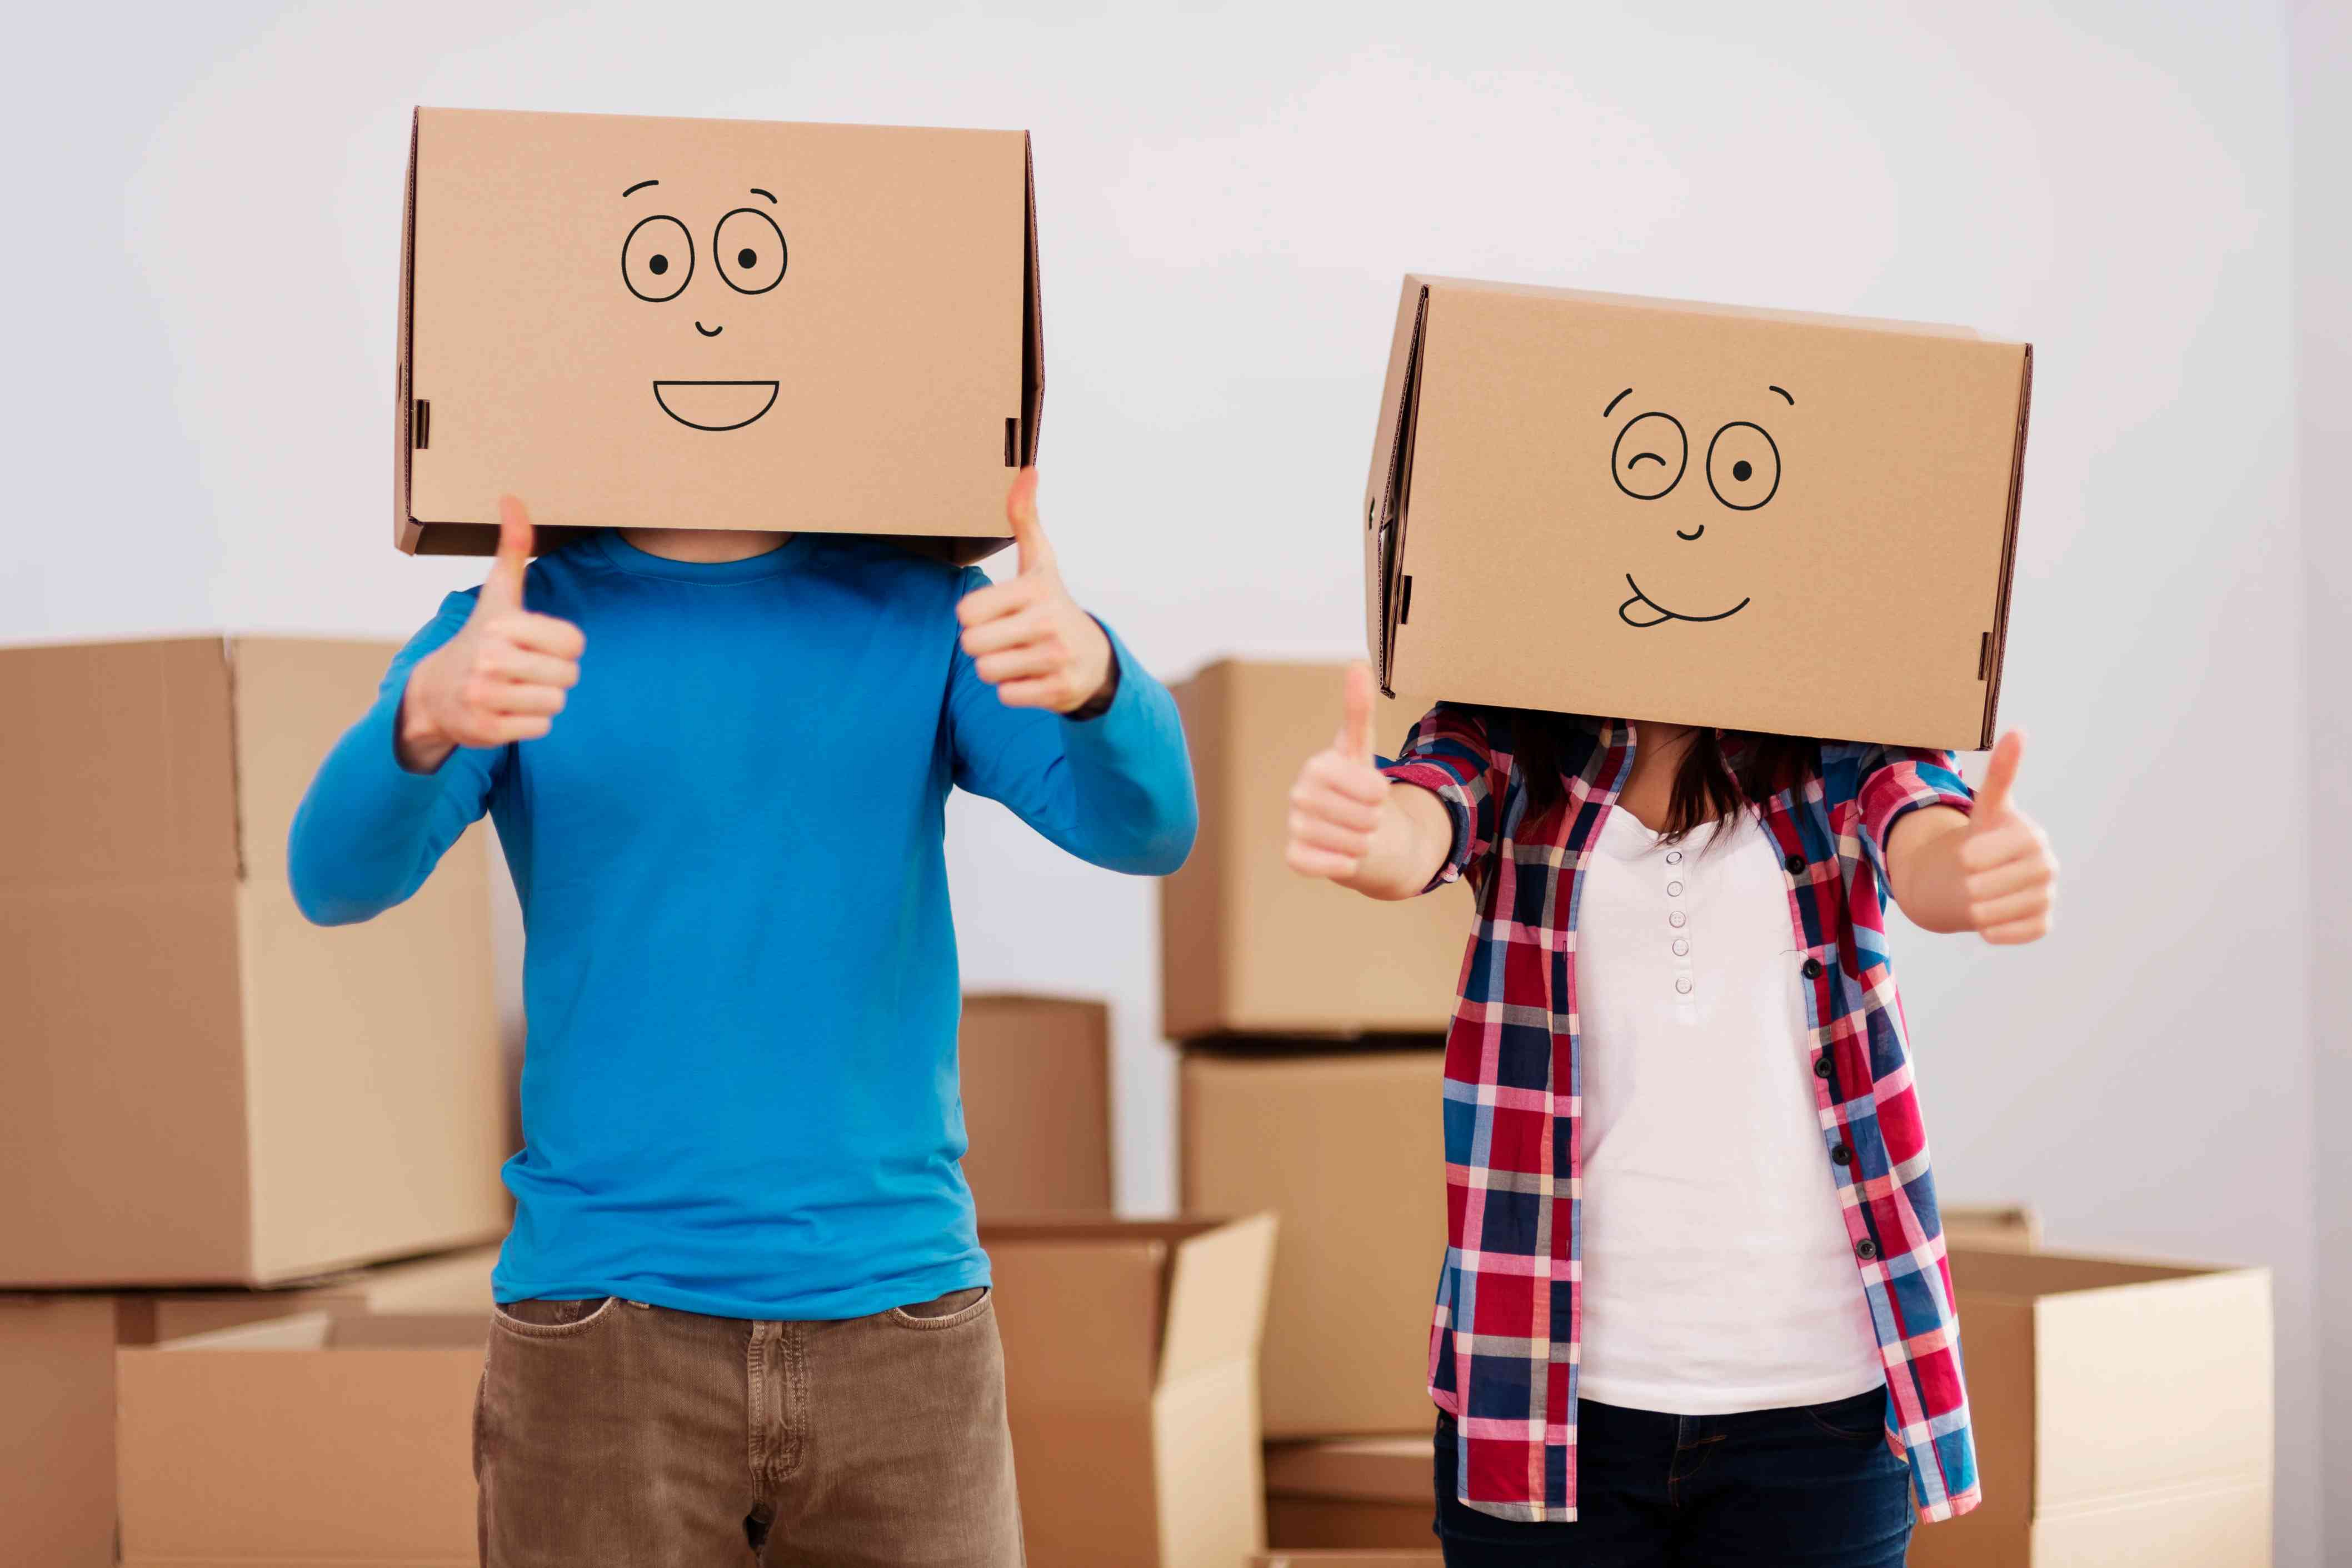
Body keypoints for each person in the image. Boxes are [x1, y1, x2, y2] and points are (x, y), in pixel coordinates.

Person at [288, 473, 1194, 1568]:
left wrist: (1098, 678)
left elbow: (1146, 829)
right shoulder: (514, 624)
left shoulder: (925, 610)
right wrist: (422, 717)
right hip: (604, 1326)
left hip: (901, 1320)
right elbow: (332, 879)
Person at [1283, 666, 2058, 1567]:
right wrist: (1368, 827)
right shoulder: (1499, 736)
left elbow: (1924, 844)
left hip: (1817, 1411)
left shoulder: (1852, 740)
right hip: (1546, 1400)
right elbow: (1419, 825)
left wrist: (1975, 868)